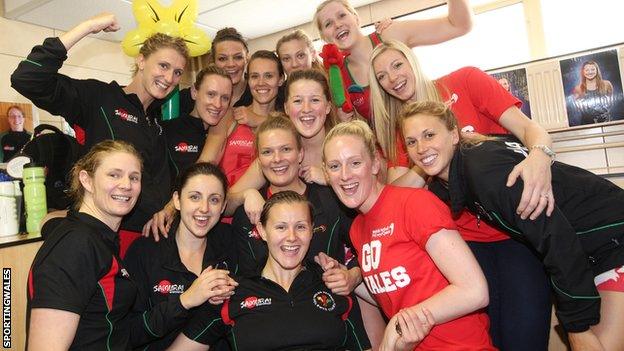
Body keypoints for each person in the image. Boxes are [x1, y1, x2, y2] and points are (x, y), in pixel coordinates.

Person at [370, 39, 553, 349]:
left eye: (397, 65)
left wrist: (541, 155)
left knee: (526, 336)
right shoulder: (404, 133)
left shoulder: (465, 81)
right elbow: (393, 196)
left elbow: (529, 129)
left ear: (412, 61)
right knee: (489, 339)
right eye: (381, 76)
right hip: (466, 245)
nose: (392, 78)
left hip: (516, 229)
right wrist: (426, 159)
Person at [399, 100, 624, 351]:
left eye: (429, 135)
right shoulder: (457, 174)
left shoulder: (483, 171)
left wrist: (577, 327)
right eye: (411, 141)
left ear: (453, 134)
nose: (421, 148)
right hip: (591, 247)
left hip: (613, 237)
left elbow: (555, 238)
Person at [11, 13, 189, 255]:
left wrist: (170, 208)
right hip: (105, 241)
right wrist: (88, 27)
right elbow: (27, 79)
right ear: (141, 60)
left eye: (177, 72)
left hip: (151, 246)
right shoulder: (100, 98)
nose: (169, 78)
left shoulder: (156, 121)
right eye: (163, 65)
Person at [323, 120, 494, 350]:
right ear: (326, 173)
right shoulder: (357, 229)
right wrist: (349, 281)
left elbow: (475, 291)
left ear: (374, 164)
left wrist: (398, 324)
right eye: (334, 166)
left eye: (355, 163)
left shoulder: (414, 204)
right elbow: (392, 294)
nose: (344, 175)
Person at [168, 191, 371, 351]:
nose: (291, 237)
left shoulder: (335, 284)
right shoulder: (232, 292)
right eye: (281, 227)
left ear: (312, 231)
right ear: (262, 231)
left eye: (300, 227)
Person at [27, 140, 142, 350]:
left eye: (134, 177)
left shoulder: (95, 236)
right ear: (86, 180)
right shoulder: (76, 245)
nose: (127, 185)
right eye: (114, 174)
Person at [125, 163, 238, 350]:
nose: (204, 208)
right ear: (177, 200)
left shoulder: (231, 242)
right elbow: (129, 332)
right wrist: (185, 300)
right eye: (194, 197)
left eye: (214, 200)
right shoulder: (145, 250)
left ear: (223, 206)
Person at [313, 0, 472, 120]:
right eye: (328, 24)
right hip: (393, 156)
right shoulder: (337, 79)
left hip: (435, 130)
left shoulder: (390, 34)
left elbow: (458, 25)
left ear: (356, 18)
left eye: (342, 15)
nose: (338, 24)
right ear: (323, 37)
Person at [162, 65, 232, 181]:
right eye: (211, 94)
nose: (218, 104)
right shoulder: (168, 130)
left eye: (225, 98)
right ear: (195, 92)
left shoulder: (231, 130)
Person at [571, 60, 614, 125]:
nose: (590, 72)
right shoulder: (578, 88)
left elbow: (611, 103)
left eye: (593, 69)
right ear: (583, 72)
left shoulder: (607, 84)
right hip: (587, 124)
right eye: (587, 70)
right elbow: (577, 108)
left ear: (597, 70)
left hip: (606, 122)